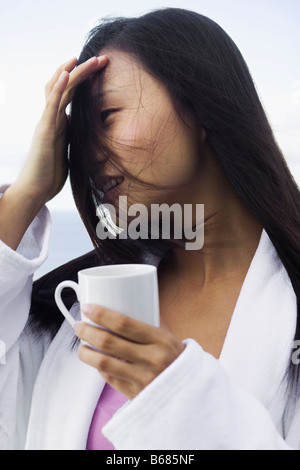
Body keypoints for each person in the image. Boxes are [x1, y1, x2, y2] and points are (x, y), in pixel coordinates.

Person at [0, 7, 300, 450]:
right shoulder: (66, 316)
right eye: (79, 139)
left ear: (199, 103)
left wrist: (183, 399)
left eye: (107, 117)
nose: (89, 154)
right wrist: (27, 192)